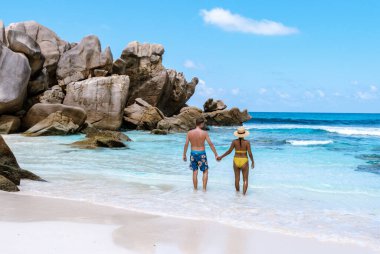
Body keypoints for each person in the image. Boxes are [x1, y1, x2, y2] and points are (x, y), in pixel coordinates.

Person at [183, 117, 219, 191]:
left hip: (193, 153)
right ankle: (204, 189)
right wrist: (216, 154)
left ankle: (195, 189)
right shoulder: (204, 133)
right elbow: (211, 144)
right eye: (203, 123)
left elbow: (186, 144)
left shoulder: (189, 133)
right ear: (201, 123)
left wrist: (184, 154)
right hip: (202, 154)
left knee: (195, 172)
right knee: (205, 171)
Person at [217, 126, 254, 195]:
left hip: (236, 160)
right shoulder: (247, 142)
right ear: (244, 134)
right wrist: (252, 161)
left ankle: (237, 195)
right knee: (245, 179)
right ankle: (244, 196)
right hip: (244, 161)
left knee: (237, 179)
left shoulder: (234, 142)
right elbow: (250, 153)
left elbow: (229, 151)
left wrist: (221, 157)